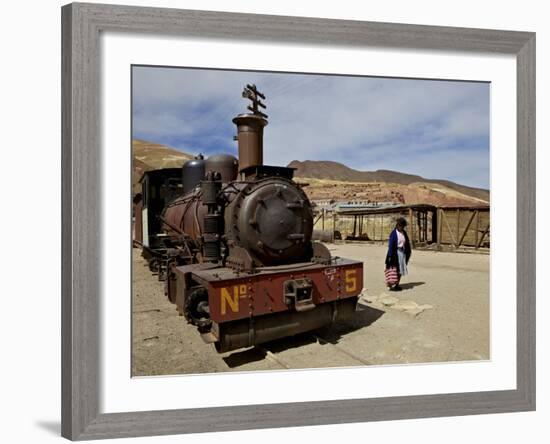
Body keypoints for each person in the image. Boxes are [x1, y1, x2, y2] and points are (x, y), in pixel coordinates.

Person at [385, 217, 411, 291]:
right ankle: (390, 284)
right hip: (394, 253)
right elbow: (391, 245)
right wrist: (390, 256)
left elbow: (407, 243)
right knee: (393, 269)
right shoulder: (394, 233)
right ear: (397, 225)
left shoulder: (404, 233)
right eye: (400, 226)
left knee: (400, 270)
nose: (401, 227)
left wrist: (408, 253)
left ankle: (397, 284)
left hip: (402, 253)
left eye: (402, 226)